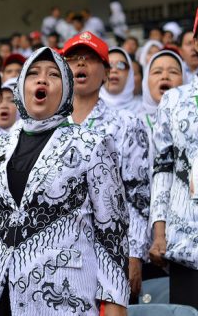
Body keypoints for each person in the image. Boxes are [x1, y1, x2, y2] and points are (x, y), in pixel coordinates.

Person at [0, 47, 129, 315]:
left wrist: (115, 303)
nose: (41, 80)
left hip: (63, 296)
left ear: (67, 88)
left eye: (53, 74)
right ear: (21, 86)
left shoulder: (91, 144)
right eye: (33, 73)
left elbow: (112, 231)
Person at [149, 0, 198, 315]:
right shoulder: (174, 100)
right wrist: (159, 231)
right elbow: (162, 167)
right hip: (188, 239)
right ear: (196, 43)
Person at [61, 31, 150, 301]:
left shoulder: (127, 124)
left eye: (90, 59)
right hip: (55, 257)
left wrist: (134, 253)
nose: (81, 65)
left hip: (108, 254)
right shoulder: (47, 126)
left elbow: (138, 195)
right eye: (74, 59)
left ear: (106, 72)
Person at [99, 47, 141, 113]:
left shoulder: (143, 111)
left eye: (121, 65)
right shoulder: (87, 108)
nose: (114, 70)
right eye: (108, 65)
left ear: (129, 74)